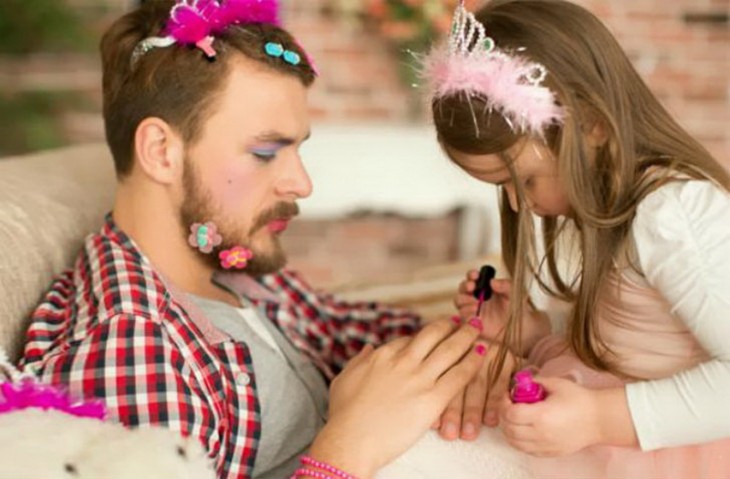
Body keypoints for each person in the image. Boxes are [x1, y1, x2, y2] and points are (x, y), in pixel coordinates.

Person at [18, 1, 491, 478]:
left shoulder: (227, 263)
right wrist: (346, 450)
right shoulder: (131, 350)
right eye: (266, 152)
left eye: (297, 149)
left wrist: (479, 337)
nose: (302, 183)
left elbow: (339, 328)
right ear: (161, 152)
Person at [423, 0, 730, 477]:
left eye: (522, 181)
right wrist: (534, 338)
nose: (515, 205)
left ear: (590, 124)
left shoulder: (674, 215)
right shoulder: (622, 211)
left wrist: (597, 417)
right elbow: (631, 355)